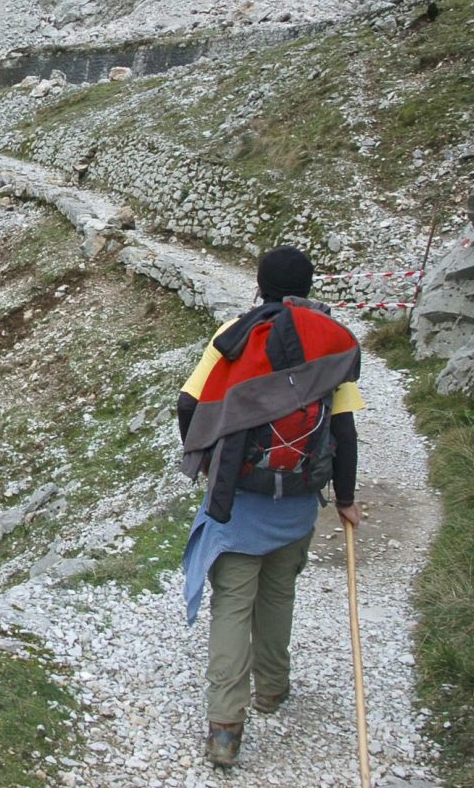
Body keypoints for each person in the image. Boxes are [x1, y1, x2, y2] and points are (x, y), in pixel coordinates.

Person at [176, 245, 365, 767]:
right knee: (279, 594)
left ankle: (225, 727)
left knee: (233, 604)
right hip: (298, 499)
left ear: (259, 284)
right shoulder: (332, 342)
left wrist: (205, 460)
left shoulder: (237, 335)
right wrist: (345, 499)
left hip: (239, 500)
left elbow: (189, 403)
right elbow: (344, 430)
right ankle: (273, 690)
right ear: (309, 284)